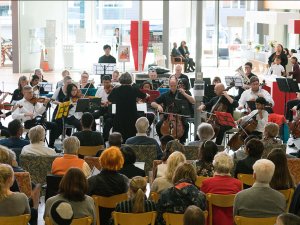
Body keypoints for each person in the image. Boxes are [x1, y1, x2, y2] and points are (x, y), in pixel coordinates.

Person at [87, 146, 129, 225]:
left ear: (102, 160)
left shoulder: (92, 181)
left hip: (98, 220)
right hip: (118, 221)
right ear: (120, 161)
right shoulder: (124, 180)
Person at [201, 152, 242, 225]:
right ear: (230, 166)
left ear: (215, 165)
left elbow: (202, 206)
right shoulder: (238, 184)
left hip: (212, 222)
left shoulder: (206, 183)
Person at [151, 77, 193, 144]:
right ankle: (163, 140)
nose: (173, 87)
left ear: (177, 84)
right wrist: (158, 106)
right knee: (158, 125)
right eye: (171, 86)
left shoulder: (184, 92)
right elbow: (153, 103)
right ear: (169, 85)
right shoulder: (165, 95)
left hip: (180, 117)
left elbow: (193, 101)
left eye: (174, 85)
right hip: (167, 117)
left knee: (186, 125)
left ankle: (182, 142)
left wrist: (184, 94)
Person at [108, 72, 147, 142]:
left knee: (119, 136)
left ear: (120, 80)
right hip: (132, 116)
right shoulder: (134, 89)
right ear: (130, 80)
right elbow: (144, 96)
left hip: (119, 116)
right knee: (131, 136)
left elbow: (109, 99)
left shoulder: (116, 89)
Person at [94, 75, 114, 142]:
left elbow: (115, 101)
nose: (106, 84)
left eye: (107, 82)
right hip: (102, 108)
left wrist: (109, 103)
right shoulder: (100, 89)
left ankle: (105, 137)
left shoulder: (114, 90)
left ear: (110, 82)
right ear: (102, 82)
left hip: (110, 109)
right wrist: (102, 103)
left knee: (107, 118)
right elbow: (96, 101)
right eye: (104, 82)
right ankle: (93, 133)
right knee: (92, 115)